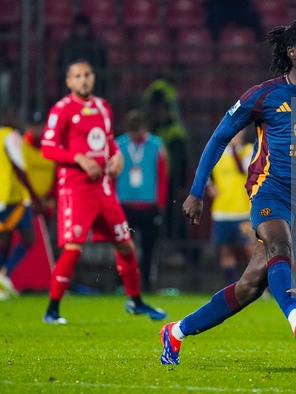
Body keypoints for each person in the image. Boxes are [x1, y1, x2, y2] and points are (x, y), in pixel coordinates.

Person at [159, 20, 296, 365]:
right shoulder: (264, 94)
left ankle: (176, 332)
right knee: (279, 246)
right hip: (269, 189)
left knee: (251, 286)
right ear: (292, 52)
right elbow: (219, 137)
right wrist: (196, 190)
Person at [41, 60, 167, 324]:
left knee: (126, 244)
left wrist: (118, 156)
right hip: (75, 189)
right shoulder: (62, 110)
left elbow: (108, 141)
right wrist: (79, 158)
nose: (84, 80)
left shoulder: (102, 106)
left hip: (103, 189)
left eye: (87, 74)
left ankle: (135, 301)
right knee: (74, 247)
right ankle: (52, 310)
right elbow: (48, 148)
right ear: (69, 81)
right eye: (78, 76)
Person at [116, 110, 168, 293]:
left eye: (137, 130)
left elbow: (162, 175)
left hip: (148, 207)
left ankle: (146, 284)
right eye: (132, 131)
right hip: (124, 206)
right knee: (124, 246)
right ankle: (122, 284)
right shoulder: (119, 145)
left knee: (148, 248)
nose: (135, 135)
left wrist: (160, 204)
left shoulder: (156, 145)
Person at [0, 107, 46, 298]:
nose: (16, 118)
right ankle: (5, 274)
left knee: (5, 240)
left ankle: (2, 281)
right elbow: (19, 168)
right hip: (13, 197)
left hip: (3, 197)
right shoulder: (11, 136)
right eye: (14, 114)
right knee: (28, 238)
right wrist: (35, 197)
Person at [206, 129, 255, 286]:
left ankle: (256, 286)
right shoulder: (216, 153)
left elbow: (249, 170)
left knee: (252, 250)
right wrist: (210, 186)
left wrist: (235, 151)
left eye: (239, 134)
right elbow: (202, 171)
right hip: (222, 211)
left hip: (244, 210)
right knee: (225, 250)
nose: (236, 136)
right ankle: (231, 285)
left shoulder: (249, 151)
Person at [142, 78, 188, 239]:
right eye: (155, 110)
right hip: (151, 180)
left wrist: (180, 184)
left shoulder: (175, 133)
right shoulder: (150, 131)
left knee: (172, 218)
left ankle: (187, 254)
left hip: (170, 182)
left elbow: (182, 162)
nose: (158, 113)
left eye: (160, 110)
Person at [58, 15, 109, 97]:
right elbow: (62, 64)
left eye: (83, 27)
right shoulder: (69, 45)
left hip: (94, 82)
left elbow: (103, 64)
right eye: (79, 27)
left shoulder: (96, 44)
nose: (81, 30)